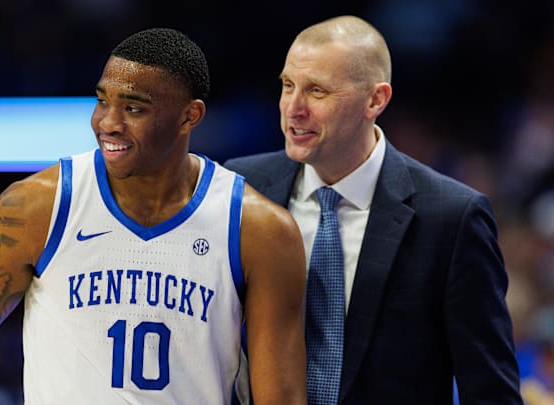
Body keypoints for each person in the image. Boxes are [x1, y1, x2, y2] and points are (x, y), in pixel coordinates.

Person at [0, 28, 307, 405]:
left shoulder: (259, 231)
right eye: (103, 100)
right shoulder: (36, 208)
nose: (108, 123)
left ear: (190, 116)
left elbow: (281, 396)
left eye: (133, 108)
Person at [224, 15, 523, 405]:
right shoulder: (240, 188)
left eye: (317, 91)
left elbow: (490, 391)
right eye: (287, 85)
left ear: (375, 100)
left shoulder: (452, 217)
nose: (293, 108)